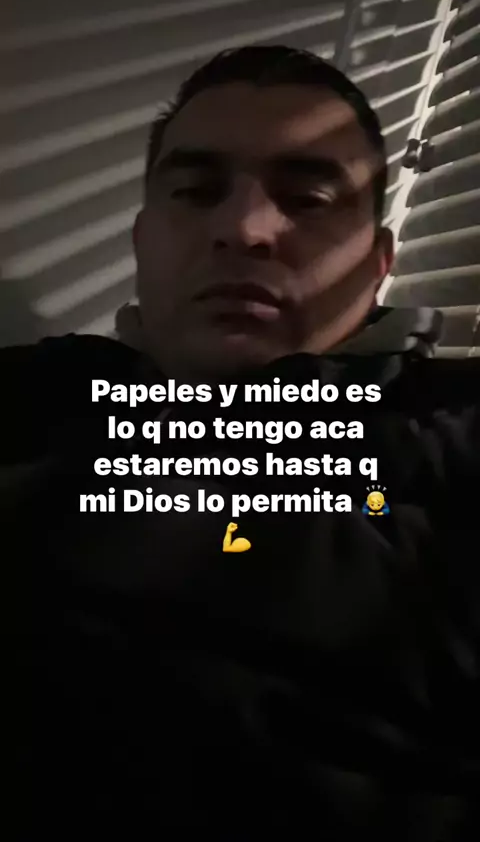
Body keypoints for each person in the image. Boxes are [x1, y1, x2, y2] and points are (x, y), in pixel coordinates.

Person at [2, 45, 479, 839]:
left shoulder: (452, 437)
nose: (244, 229)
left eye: (308, 198)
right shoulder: (32, 400)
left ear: (378, 264)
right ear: (143, 241)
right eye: (196, 192)